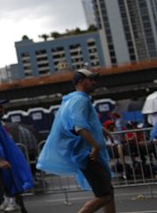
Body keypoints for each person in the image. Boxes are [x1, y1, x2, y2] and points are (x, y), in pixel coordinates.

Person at [37, 68, 115, 213]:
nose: (94, 82)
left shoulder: (73, 99)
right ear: (81, 82)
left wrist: (100, 129)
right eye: (91, 79)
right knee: (104, 196)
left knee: (108, 192)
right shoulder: (80, 100)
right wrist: (95, 146)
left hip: (86, 154)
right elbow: (79, 126)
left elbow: (81, 123)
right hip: (89, 155)